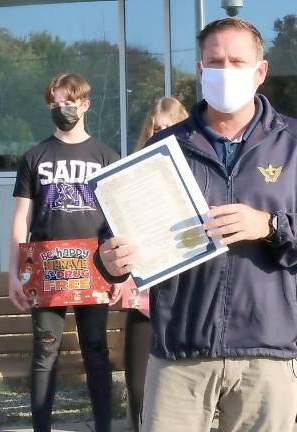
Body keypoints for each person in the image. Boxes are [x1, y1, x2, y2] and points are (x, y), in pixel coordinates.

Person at [97, 18, 297, 432]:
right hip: (181, 351)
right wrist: (111, 256)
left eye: (237, 61)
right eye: (215, 61)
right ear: (199, 70)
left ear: (260, 71)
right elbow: (116, 231)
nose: (225, 70)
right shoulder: (165, 146)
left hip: (267, 352)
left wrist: (270, 225)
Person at [7, 72, 119, 432]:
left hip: (95, 266)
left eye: (68, 102)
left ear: (85, 104)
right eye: (54, 103)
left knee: (95, 350)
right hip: (45, 267)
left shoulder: (105, 155)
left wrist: (122, 272)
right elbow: (21, 217)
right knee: (45, 351)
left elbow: (119, 216)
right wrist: (15, 271)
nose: (61, 108)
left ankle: (104, 425)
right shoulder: (33, 156)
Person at [123, 96, 189, 431]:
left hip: (185, 291)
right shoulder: (134, 170)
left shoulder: (197, 170)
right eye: (156, 127)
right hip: (144, 292)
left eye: (169, 127)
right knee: (137, 380)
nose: (161, 133)